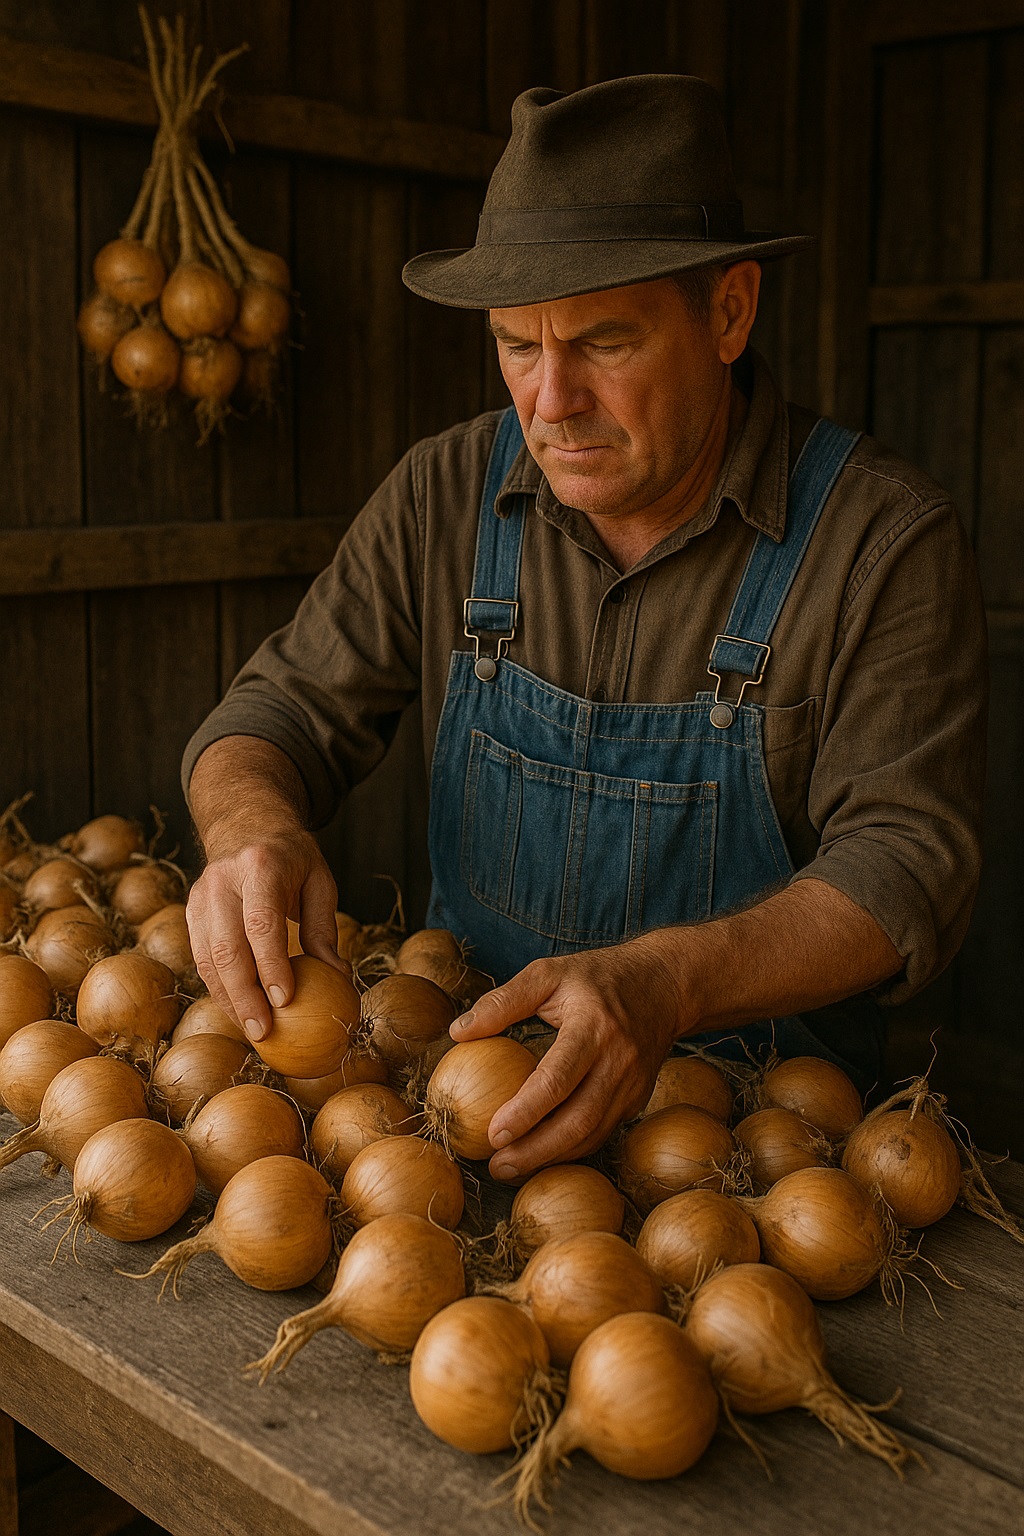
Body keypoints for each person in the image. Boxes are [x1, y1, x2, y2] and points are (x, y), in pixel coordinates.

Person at [182, 75, 987, 1183]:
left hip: (752, 1163)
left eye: (605, 342)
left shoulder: (880, 541)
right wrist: (246, 830)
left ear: (728, 313)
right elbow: (272, 714)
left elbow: (907, 868)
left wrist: (666, 983)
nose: (551, 399)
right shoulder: (444, 493)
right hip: (464, 1127)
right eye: (519, 345)